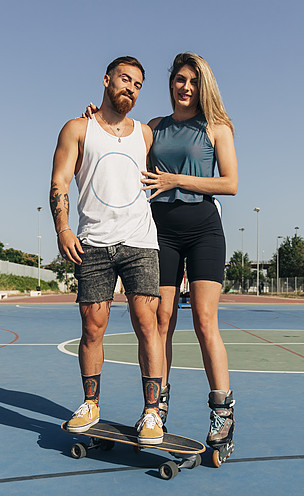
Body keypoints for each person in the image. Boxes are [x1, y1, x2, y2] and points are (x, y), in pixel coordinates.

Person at [89, 52, 238, 462]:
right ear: (170, 83)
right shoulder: (154, 128)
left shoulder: (217, 127)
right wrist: (94, 115)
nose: (185, 87)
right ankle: (157, 407)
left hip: (204, 227)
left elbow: (231, 183)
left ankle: (222, 414)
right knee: (160, 321)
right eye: (179, 80)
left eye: (193, 81)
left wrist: (174, 179)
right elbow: (118, 132)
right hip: (161, 231)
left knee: (206, 322)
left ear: (201, 85)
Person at [50, 56, 165, 446]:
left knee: (147, 324)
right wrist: (62, 228)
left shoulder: (146, 135)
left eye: (137, 85)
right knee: (92, 327)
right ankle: (90, 403)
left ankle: (151, 413)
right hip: (93, 243)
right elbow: (60, 181)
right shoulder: (77, 129)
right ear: (106, 79)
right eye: (124, 79)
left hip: (140, 241)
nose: (130, 88)